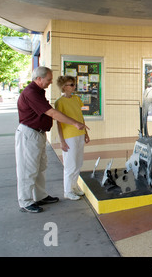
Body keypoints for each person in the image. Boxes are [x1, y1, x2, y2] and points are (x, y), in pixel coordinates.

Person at [15, 66, 89, 213]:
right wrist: (74, 123)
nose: (50, 82)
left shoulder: (39, 92)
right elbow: (52, 113)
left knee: (40, 167)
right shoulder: (31, 93)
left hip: (39, 134)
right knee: (28, 169)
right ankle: (25, 201)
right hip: (29, 134)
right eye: (48, 79)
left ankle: (40, 195)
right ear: (38, 79)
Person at [55, 76, 90, 201]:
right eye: (71, 84)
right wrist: (62, 141)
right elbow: (59, 122)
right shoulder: (60, 102)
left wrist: (86, 133)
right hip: (69, 136)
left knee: (78, 163)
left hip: (79, 134)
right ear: (64, 87)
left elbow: (80, 116)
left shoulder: (76, 99)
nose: (74, 86)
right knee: (70, 164)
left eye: (74, 84)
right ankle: (67, 190)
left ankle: (74, 187)